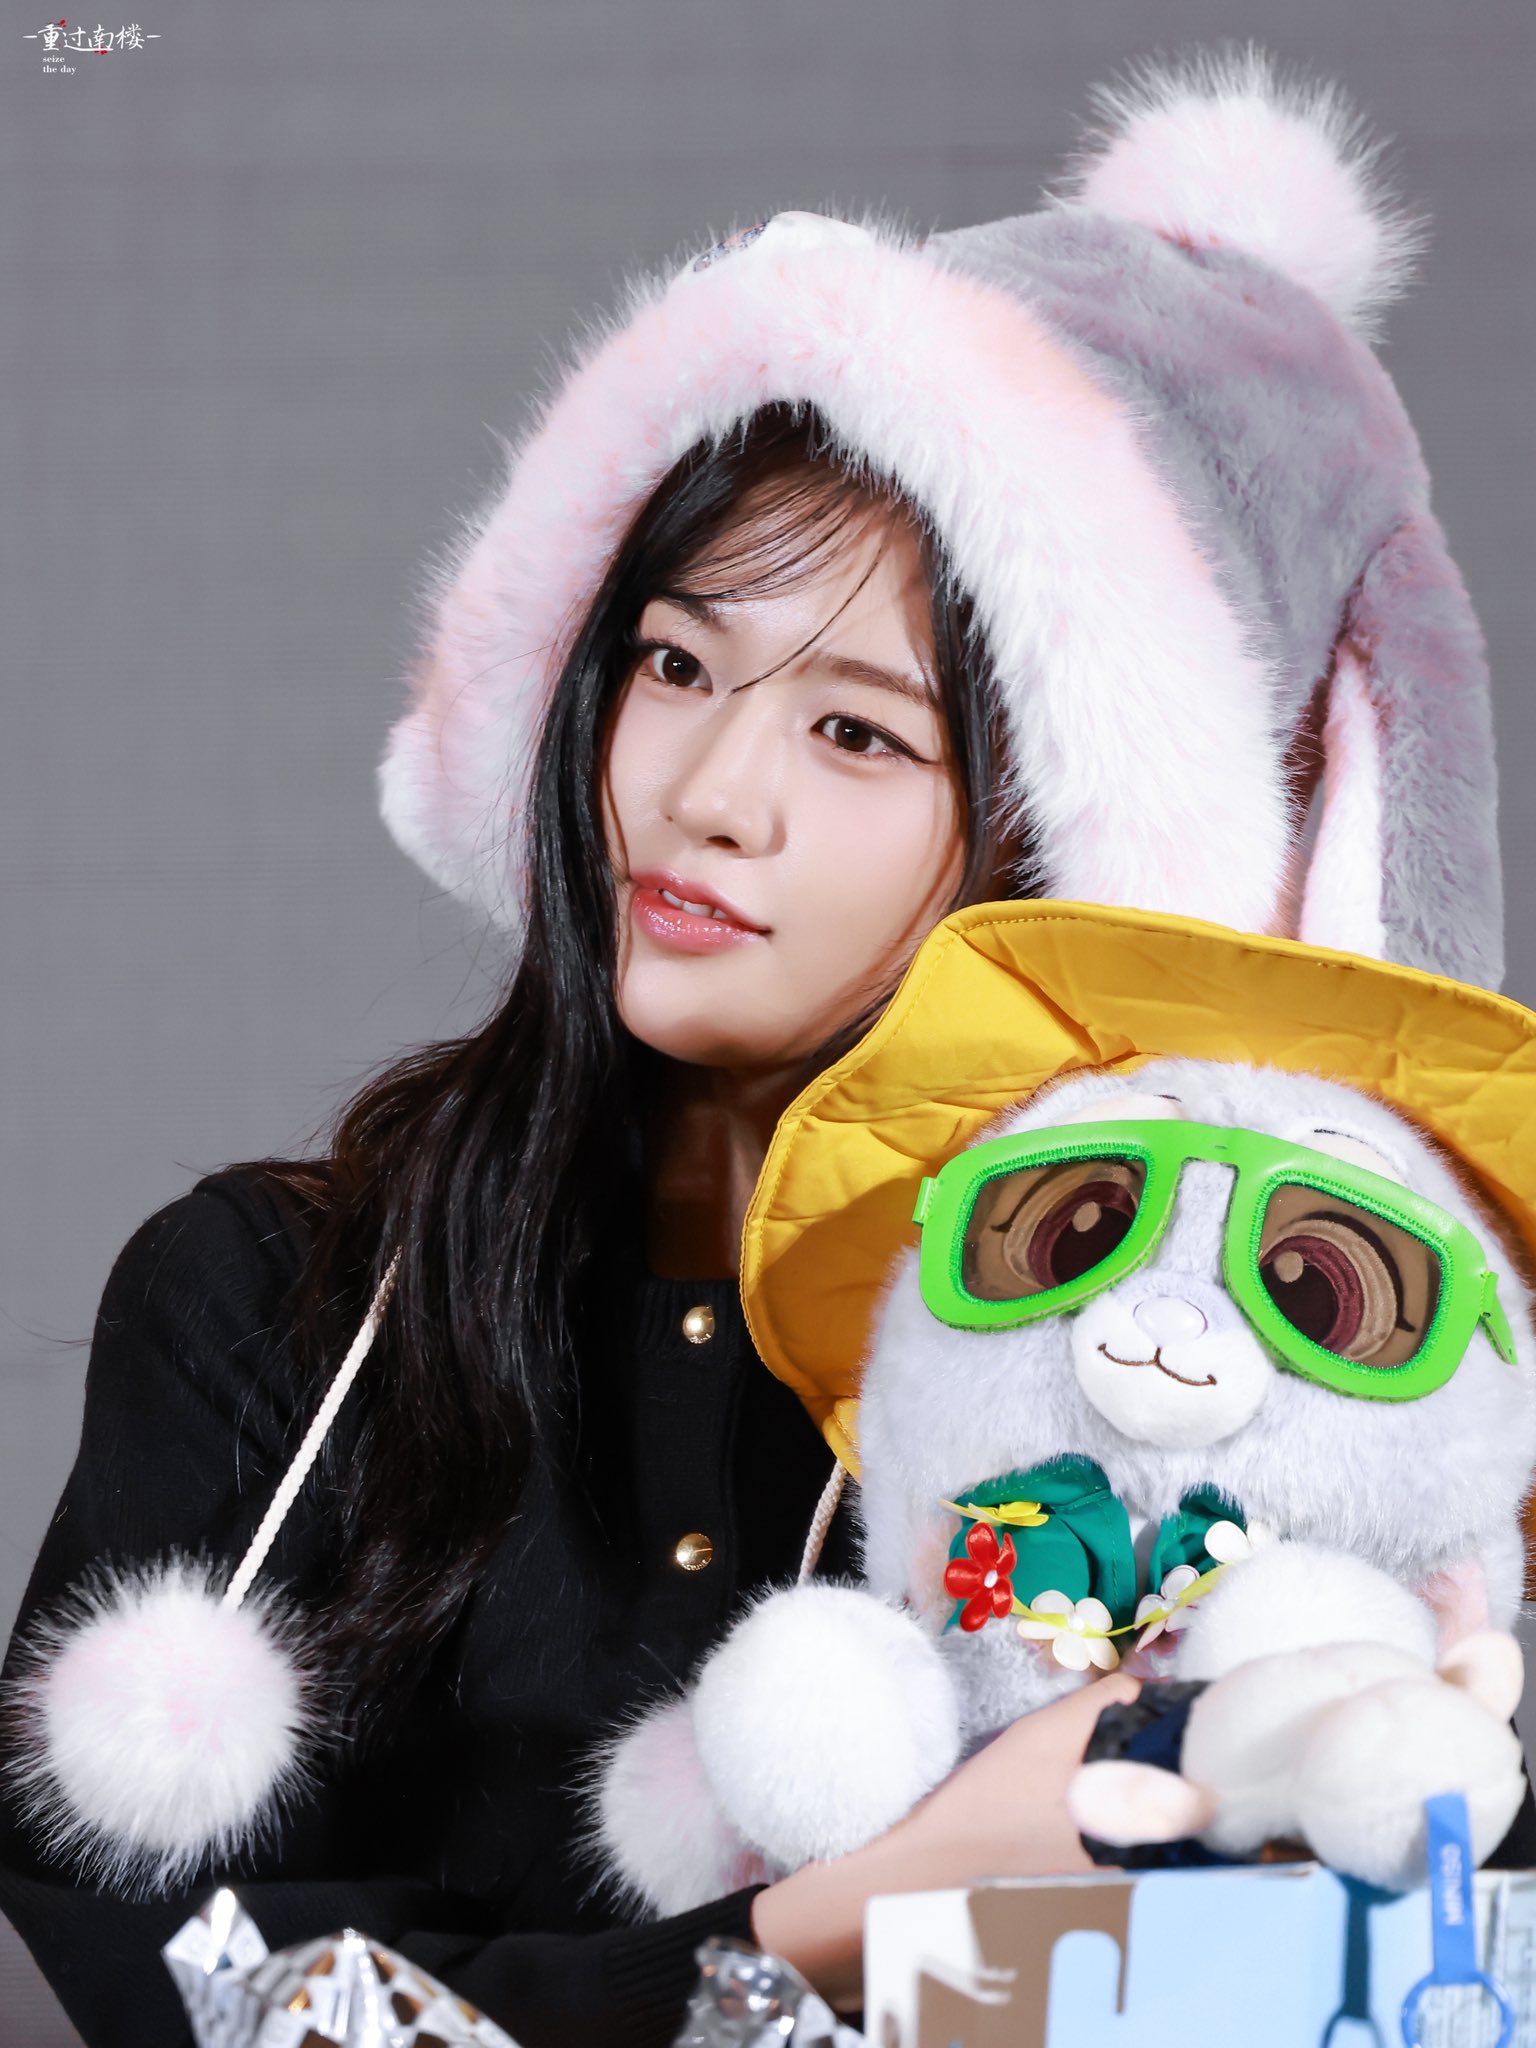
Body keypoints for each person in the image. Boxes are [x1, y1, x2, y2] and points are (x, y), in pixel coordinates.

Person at [0, 53, 1510, 2048]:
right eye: (676, 662)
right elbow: (197, 2000)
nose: (708, 794)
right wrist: (875, 1901)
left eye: (857, 732)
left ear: (1058, 833)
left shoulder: (1173, 1381)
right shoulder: (273, 1305)